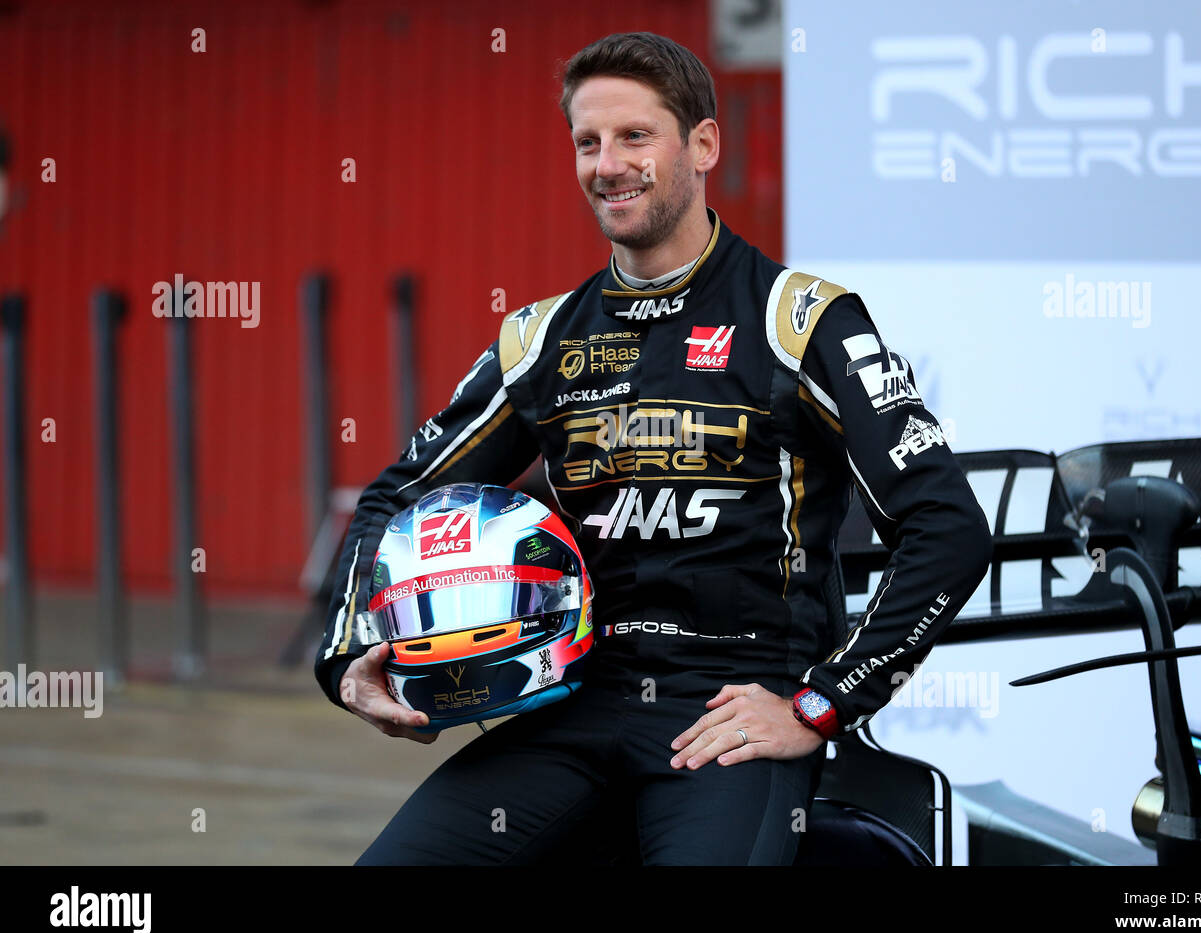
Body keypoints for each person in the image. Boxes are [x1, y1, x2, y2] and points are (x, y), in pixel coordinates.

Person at [314, 31, 993, 865]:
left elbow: (948, 529)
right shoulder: (541, 338)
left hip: (733, 714)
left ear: (702, 144)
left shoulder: (802, 318)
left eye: (635, 136)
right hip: (574, 702)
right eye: (587, 143)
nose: (608, 165)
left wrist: (821, 705)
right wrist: (352, 659)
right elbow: (396, 497)